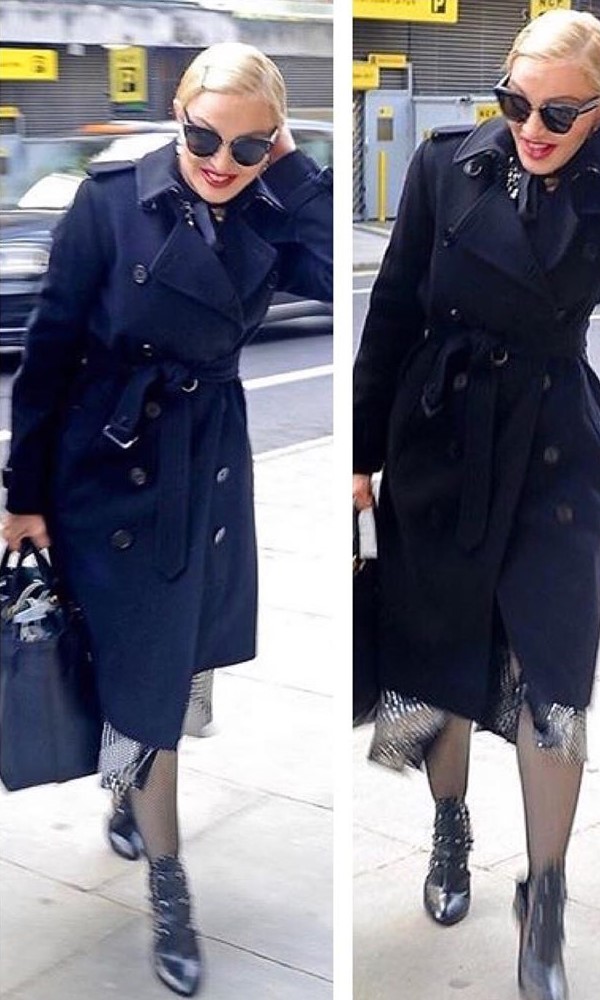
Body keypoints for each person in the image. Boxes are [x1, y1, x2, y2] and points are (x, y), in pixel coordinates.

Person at [352, 9, 600, 999]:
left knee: (554, 683)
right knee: (446, 664)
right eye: (515, 102)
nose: (532, 127)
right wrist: (361, 456)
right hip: (440, 441)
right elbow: (394, 306)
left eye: (561, 112)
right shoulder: (443, 164)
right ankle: (450, 825)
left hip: (553, 452)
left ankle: (545, 900)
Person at [1, 42, 332, 997]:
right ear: (177, 114)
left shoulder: (272, 208)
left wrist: (289, 167)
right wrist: (22, 495)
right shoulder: (108, 203)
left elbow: (338, 270)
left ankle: (130, 787)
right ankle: (169, 883)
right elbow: (49, 354)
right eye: (204, 136)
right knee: (141, 664)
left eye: (250, 145)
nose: (222, 160)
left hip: (203, 465)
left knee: (169, 664)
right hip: (106, 468)